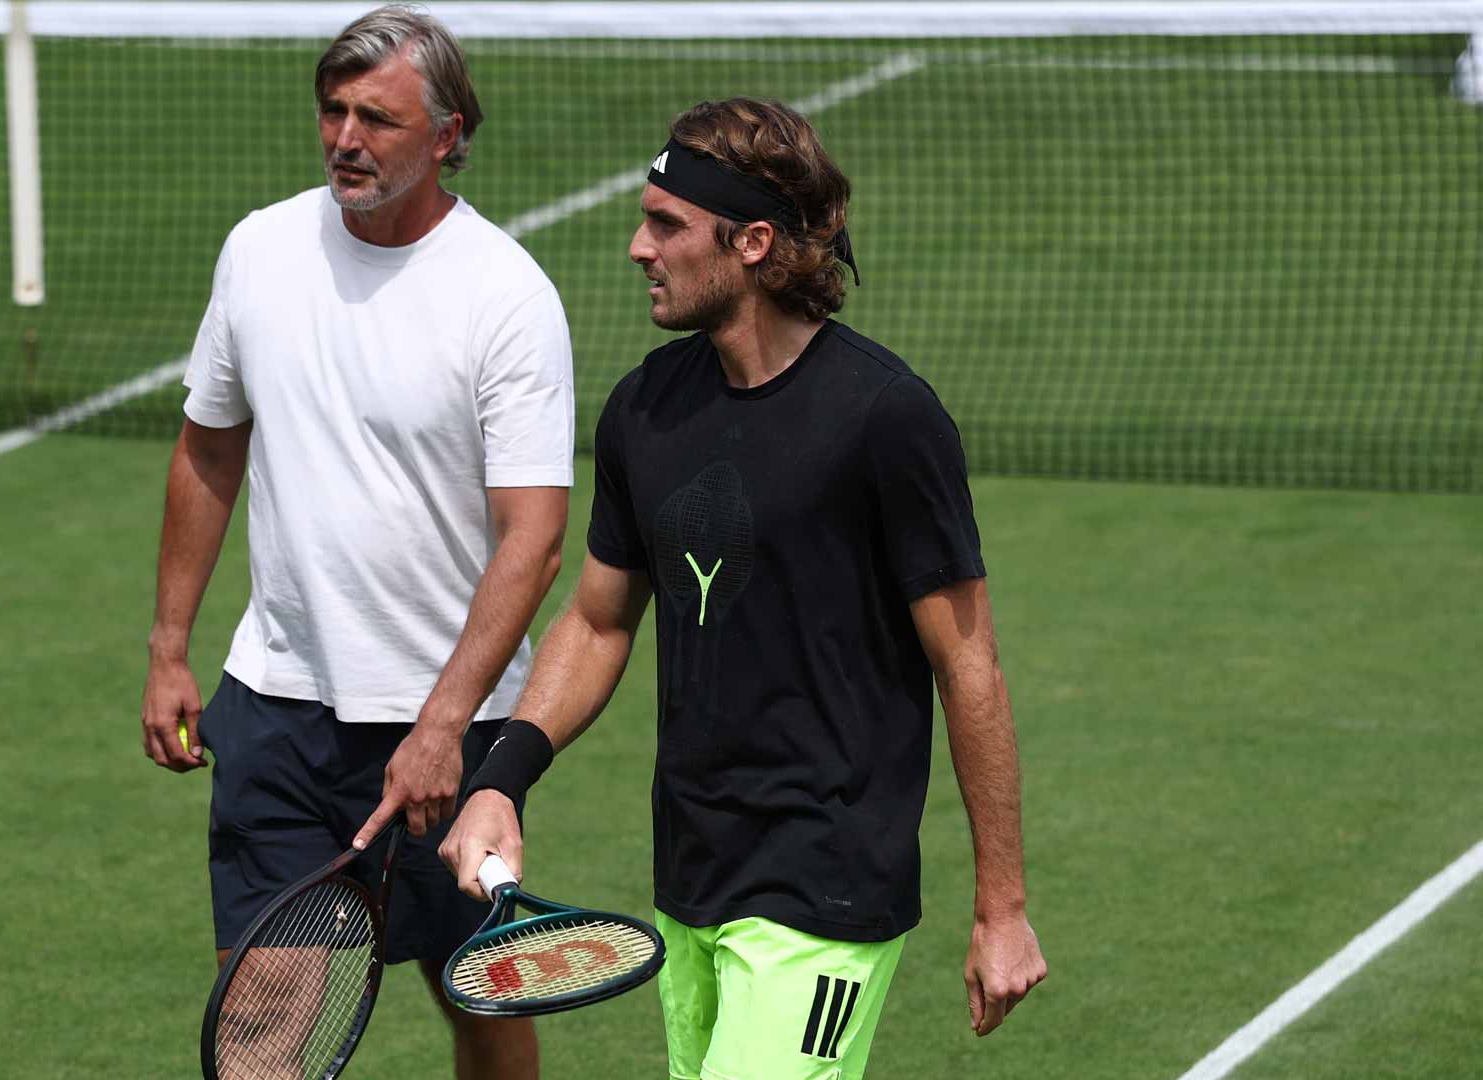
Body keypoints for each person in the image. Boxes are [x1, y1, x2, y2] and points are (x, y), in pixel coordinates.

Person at [439, 98, 1047, 1080]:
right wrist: (501, 779)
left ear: (754, 242)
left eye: (667, 225)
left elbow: (967, 660)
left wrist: (1003, 909)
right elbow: (597, 621)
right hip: (690, 876)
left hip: (826, 887)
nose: (640, 247)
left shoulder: (886, 419)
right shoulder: (647, 408)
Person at [139, 7, 572, 1078]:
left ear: (447, 134)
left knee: (482, 1003)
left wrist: (443, 724)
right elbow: (207, 451)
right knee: (261, 1018)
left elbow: (536, 539)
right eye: (333, 111)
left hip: (446, 731)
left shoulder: (505, 296)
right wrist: (168, 644)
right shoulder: (259, 250)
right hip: (276, 707)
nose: (345, 137)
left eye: (377, 117)